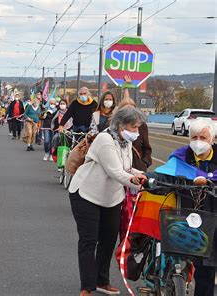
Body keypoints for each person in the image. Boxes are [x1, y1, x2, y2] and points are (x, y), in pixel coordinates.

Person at [68, 106, 147, 295]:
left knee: (109, 239)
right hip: (86, 194)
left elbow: (126, 168)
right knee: (89, 240)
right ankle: (87, 286)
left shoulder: (124, 141)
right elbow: (116, 172)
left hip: (111, 198)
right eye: (133, 127)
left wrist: (145, 176)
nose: (136, 132)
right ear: (120, 125)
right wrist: (139, 183)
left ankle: (101, 281)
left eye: (137, 128)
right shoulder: (105, 140)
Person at [147, 119, 216, 296]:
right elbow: (165, 173)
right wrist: (146, 177)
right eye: (194, 137)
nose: (198, 141)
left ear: (213, 139)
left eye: (203, 137)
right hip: (182, 215)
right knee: (174, 253)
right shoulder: (181, 157)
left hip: (211, 217)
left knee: (206, 271)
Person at [120, 75, 152, 171]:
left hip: (138, 169)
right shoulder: (116, 126)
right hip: (120, 170)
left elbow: (147, 148)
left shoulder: (142, 126)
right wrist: (125, 87)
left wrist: (145, 162)